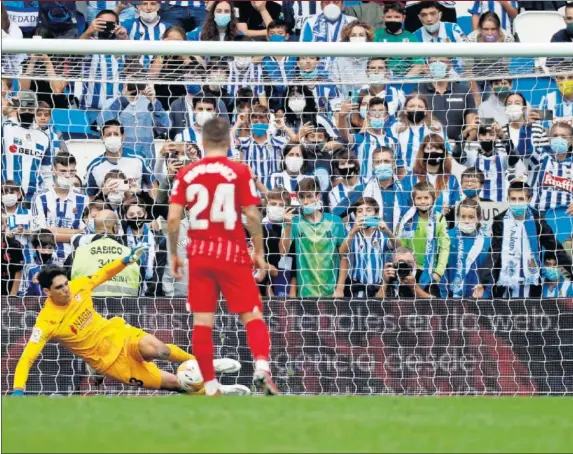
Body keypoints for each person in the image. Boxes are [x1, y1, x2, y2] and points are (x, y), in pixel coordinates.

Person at [12, 248, 250, 396]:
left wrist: (125, 261)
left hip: (118, 334)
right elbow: (28, 356)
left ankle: (205, 363)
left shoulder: (79, 285)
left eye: (66, 283)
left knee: (158, 349)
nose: (66, 289)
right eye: (59, 288)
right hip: (109, 362)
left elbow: (102, 274)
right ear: (46, 291)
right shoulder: (46, 322)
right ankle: (218, 391)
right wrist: (19, 389)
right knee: (176, 384)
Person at [167, 117, 279, 396]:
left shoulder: (187, 173)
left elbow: (172, 219)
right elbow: (252, 214)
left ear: (202, 142)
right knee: (252, 314)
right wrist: (259, 252)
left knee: (203, 322)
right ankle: (262, 367)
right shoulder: (239, 171)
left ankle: (211, 386)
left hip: (201, 254)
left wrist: (173, 254)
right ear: (229, 142)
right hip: (232, 252)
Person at [488, 182, 572, 298]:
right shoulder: (500, 220)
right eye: (513, 199)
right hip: (505, 281)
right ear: (508, 198)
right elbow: (494, 253)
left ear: (529, 199)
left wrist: (571, 270)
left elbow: (554, 247)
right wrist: (484, 282)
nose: (517, 203)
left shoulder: (537, 220)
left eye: (521, 199)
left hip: (531, 281)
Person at [280, 176, 347, 298]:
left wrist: (340, 288)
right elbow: (282, 252)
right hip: (304, 295)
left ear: (318, 196)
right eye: (302, 197)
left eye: (309, 196)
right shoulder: (294, 223)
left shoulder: (334, 222)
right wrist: (288, 227)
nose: (305, 202)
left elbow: (344, 256)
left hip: (331, 294)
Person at [333, 146, 411, 234]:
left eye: (386, 161)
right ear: (373, 166)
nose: (382, 165)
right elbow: (334, 215)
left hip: (399, 243)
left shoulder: (406, 191)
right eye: (378, 162)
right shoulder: (361, 190)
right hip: (369, 244)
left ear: (393, 164)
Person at [31, 152, 89, 262]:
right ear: (54, 171)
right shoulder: (40, 197)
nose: (67, 175)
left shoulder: (83, 198)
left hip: (75, 259)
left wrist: (52, 231)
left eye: (71, 172)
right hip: (46, 259)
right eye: (63, 171)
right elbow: (39, 234)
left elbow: (86, 234)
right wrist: (75, 233)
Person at [396, 181, 451, 297]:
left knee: (430, 308)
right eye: (419, 198)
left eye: (426, 198)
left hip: (431, 272)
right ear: (413, 200)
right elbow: (402, 247)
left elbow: (444, 248)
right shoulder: (407, 219)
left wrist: (438, 272)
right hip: (410, 270)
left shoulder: (439, 219)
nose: (423, 201)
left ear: (433, 199)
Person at [98, 77, 169, 163]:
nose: (134, 83)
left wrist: (154, 102)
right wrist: (123, 100)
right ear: (124, 82)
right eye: (131, 81)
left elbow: (165, 126)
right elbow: (101, 123)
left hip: (146, 160)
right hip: (121, 159)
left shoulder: (149, 102)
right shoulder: (112, 102)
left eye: (137, 79)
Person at [337, 197, 396, 298]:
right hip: (355, 289)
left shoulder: (382, 236)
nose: (364, 214)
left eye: (368, 210)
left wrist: (387, 231)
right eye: (360, 211)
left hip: (378, 289)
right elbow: (342, 253)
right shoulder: (351, 235)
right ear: (355, 216)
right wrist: (353, 231)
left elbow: (398, 246)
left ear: (376, 215)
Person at [2, 90, 53, 202]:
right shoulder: (5, 129)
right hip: (6, 194)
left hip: (32, 199)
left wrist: (49, 195)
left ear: (35, 110)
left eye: (30, 109)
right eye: (23, 109)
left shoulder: (44, 138)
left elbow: (46, 171)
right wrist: (3, 111)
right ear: (17, 109)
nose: (27, 112)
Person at [86, 120, 157, 199]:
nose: (112, 137)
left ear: (123, 137)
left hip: (133, 207)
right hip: (107, 209)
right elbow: (90, 196)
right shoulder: (94, 167)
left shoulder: (138, 158)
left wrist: (152, 207)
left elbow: (152, 183)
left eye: (116, 134)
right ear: (102, 138)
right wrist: (102, 194)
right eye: (108, 135)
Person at [337, 97, 401, 180]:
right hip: (364, 190)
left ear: (387, 117)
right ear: (367, 115)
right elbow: (344, 136)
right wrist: (341, 116)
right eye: (373, 111)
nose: (377, 115)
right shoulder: (361, 138)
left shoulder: (394, 142)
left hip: (386, 188)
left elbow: (400, 169)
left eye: (381, 111)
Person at [417, 57, 477, 141]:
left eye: (442, 61)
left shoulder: (464, 92)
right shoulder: (418, 92)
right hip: (428, 147)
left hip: (457, 148)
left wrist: (461, 144)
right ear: (427, 66)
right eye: (433, 61)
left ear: (450, 65)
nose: (437, 64)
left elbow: (472, 127)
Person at [78, 9, 128, 110]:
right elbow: (77, 50)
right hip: (90, 108)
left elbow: (135, 60)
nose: (106, 27)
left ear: (117, 25)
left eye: (110, 24)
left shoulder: (124, 44)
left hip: (117, 109)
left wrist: (125, 38)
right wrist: (89, 31)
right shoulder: (89, 42)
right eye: (102, 23)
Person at [402, 134, 461, 216]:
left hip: (442, 226)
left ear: (443, 153)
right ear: (423, 152)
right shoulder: (410, 178)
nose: (433, 151)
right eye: (429, 148)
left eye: (437, 148)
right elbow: (403, 205)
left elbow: (456, 207)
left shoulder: (452, 180)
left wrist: (449, 210)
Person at [237, 104, 293, 189]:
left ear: (268, 121)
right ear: (249, 123)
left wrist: (284, 127)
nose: (259, 122)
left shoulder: (277, 141)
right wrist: (238, 124)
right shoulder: (244, 143)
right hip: (251, 192)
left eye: (262, 120)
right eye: (255, 121)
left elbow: (296, 141)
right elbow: (225, 143)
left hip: (273, 194)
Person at [445, 199, 492, 299]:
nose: (466, 221)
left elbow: (490, 273)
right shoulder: (448, 237)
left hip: (477, 296)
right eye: (463, 216)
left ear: (479, 218)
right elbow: (442, 269)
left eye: (471, 217)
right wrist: (443, 295)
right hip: (451, 296)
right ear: (458, 217)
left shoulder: (487, 242)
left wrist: (485, 294)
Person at [392, 92, 445, 174]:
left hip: (428, 173)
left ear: (425, 111)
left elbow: (445, 150)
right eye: (411, 106)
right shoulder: (396, 127)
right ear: (405, 110)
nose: (415, 109)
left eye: (420, 106)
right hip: (402, 174)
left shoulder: (435, 127)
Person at [373, 2, 425, 78]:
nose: (393, 20)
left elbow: (418, 64)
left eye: (397, 17)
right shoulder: (377, 35)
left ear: (403, 18)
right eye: (389, 17)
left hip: (406, 78)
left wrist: (404, 81)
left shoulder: (410, 37)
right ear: (383, 18)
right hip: (383, 78)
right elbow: (372, 63)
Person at [413, 1, 467, 73]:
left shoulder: (454, 28)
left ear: (440, 15)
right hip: (429, 78)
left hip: (456, 77)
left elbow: (468, 54)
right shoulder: (415, 36)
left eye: (433, 14)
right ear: (419, 17)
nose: (429, 19)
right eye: (424, 15)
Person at [262, 187, 295, 297]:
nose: (277, 207)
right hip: (263, 281)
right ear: (267, 205)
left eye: (281, 205)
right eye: (273, 204)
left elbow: (283, 252)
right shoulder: (260, 226)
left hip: (284, 278)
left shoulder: (292, 227)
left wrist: (288, 226)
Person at [329, 21, 373, 95]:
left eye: (361, 35)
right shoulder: (339, 59)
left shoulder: (372, 58)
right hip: (345, 100)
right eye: (353, 35)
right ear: (348, 38)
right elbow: (335, 84)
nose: (357, 38)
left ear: (367, 37)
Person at [123, 1, 172, 69]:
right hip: (133, 73)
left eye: (153, 4)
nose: (149, 8)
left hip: (160, 74)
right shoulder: (128, 25)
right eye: (144, 4)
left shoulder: (168, 27)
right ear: (138, 6)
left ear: (158, 6)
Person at [20, 229, 58, 297]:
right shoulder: (29, 268)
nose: (47, 252)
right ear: (34, 248)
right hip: (36, 305)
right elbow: (23, 296)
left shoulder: (58, 266)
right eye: (43, 248)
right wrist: (32, 283)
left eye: (50, 248)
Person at [1, 214, 24, 296]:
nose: (4, 226)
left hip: (7, 290)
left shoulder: (14, 245)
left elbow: (18, 271)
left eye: (4, 223)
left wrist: (12, 296)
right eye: (2, 223)